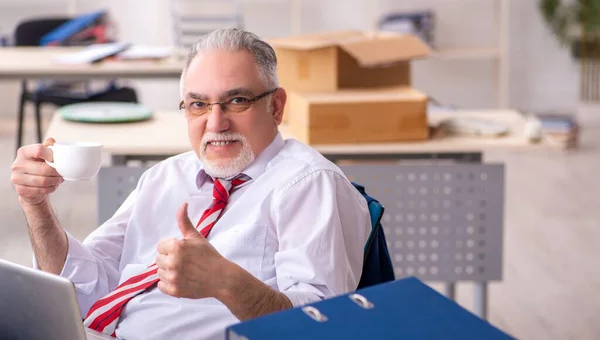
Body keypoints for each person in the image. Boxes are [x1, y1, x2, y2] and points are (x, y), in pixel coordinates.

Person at [10, 28, 371, 340]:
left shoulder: (307, 184)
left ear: (276, 106)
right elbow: (87, 285)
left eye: (237, 101)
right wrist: (36, 207)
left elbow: (322, 328)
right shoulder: (165, 177)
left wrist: (228, 283)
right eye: (198, 104)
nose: (216, 123)